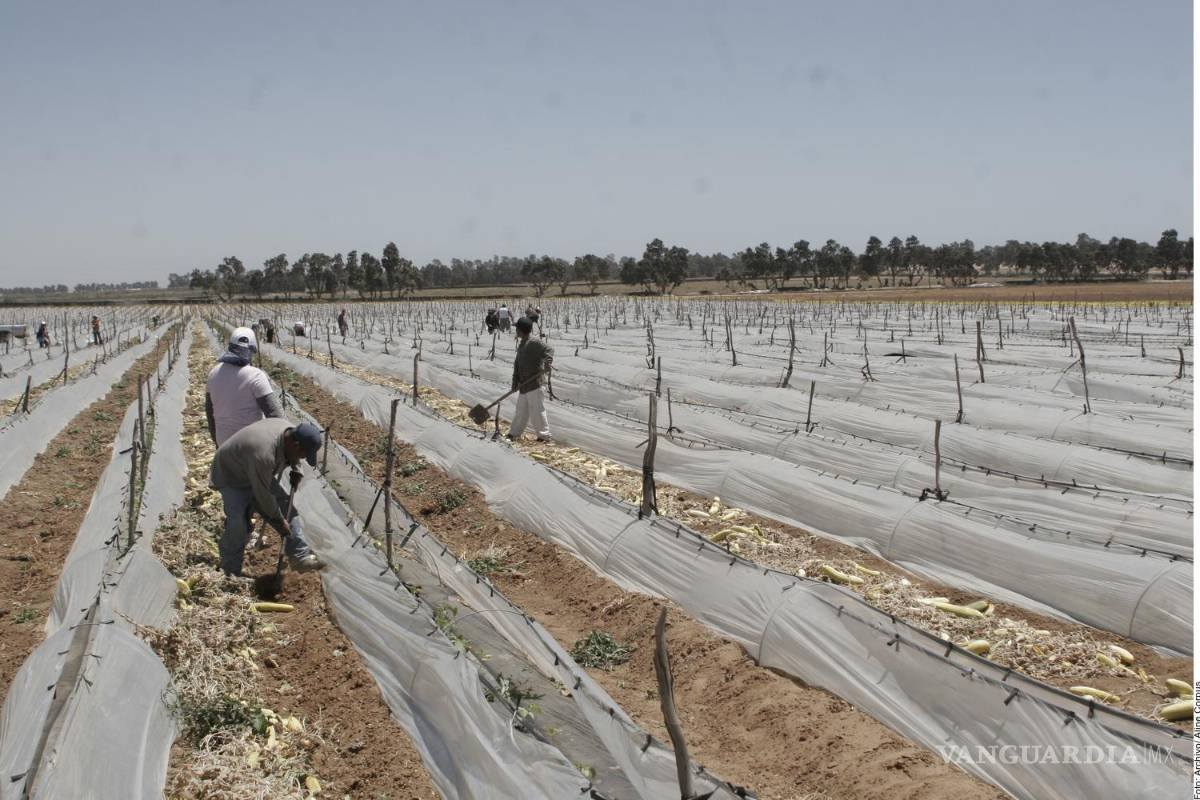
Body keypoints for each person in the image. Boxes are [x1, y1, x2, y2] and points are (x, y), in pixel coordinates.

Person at [210, 418, 325, 576]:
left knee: (288, 509)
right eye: (303, 454)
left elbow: (294, 456)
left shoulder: (290, 432)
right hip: (231, 475)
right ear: (295, 445)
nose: (304, 458)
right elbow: (263, 495)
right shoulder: (264, 454)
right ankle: (229, 568)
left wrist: (296, 468)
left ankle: (299, 557)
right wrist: (278, 520)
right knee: (238, 524)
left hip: (254, 470)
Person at [206, 327, 284, 446]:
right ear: (252, 350)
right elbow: (276, 416)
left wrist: (217, 442)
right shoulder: (256, 376)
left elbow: (210, 413)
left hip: (223, 445)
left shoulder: (213, 374)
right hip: (250, 448)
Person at [508, 317, 553, 442]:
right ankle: (514, 433)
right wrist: (515, 382)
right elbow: (517, 365)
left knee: (537, 411)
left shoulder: (533, 342)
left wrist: (548, 362)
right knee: (521, 411)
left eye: (517, 328)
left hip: (535, 384)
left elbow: (549, 350)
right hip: (524, 384)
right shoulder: (522, 344)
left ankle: (544, 436)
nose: (515, 330)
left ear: (521, 330)